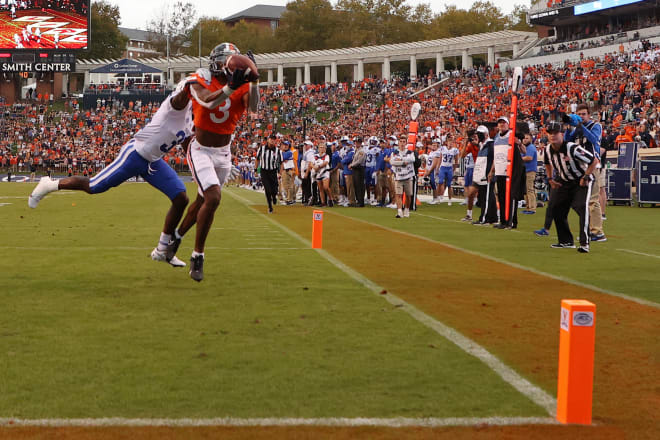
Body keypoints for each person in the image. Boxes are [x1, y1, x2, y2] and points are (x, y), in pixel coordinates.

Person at [28, 77, 195, 268]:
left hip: (153, 161)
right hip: (135, 155)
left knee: (181, 198)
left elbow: (189, 147)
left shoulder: (190, 119)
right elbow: (183, 95)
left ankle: (162, 250)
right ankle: (50, 184)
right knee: (93, 186)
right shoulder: (175, 107)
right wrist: (199, 84)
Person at [169, 43, 259, 281]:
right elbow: (208, 102)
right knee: (213, 197)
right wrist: (231, 87)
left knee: (202, 200)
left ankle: (176, 237)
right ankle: (198, 256)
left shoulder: (241, 85)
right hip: (200, 150)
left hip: (224, 152)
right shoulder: (200, 78)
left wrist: (254, 81)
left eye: (231, 60)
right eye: (224, 60)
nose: (226, 65)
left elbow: (255, 108)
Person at [543, 121, 597, 253]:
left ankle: (585, 243)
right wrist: (550, 178)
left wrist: (585, 177)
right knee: (556, 208)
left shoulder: (572, 148)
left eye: (555, 133)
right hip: (564, 181)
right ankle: (566, 240)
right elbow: (547, 163)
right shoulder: (548, 149)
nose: (552, 136)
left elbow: (594, 160)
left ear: (562, 134)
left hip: (580, 180)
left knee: (581, 207)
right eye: (550, 133)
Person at [565, 104, 606, 242]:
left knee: (593, 200)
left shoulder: (596, 125)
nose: (581, 116)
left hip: (592, 165)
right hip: (580, 166)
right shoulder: (577, 128)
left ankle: (597, 231)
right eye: (579, 114)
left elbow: (594, 140)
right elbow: (567, 142)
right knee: (582, 201)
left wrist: (580, 126)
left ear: (589, 115)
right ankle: (589, 229)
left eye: (583, 114)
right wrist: (569, 127)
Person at [472, 125, 498, 225]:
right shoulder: (483, 145)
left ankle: (484, 218)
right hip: (482, 174)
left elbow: (494, 159)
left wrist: (491, 172)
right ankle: (493, 218)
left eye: (480, 134)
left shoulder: (490, 145)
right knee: (488, 196)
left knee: (486, 197)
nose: (478, 136)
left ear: (486, 135)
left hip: (487, 174)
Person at [390, 135, 416, 218]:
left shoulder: (410, 152)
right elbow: (392, 162)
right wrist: (402, 162)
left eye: (404, 142)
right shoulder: (394, 152)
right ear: (398, 143)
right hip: (398, 177)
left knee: (408, 195)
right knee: (398, 194)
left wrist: (400, 160)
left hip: (408, 177)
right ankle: (399, 211)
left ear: (406, 143)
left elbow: (412, 159)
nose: (402, 143)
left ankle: (407, 209)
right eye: (400, 141)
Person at [257, 133, 282, 213]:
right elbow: (257, 159)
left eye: (274, 139)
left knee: (274, 189)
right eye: (271, 139)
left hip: (273, 171)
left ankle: (274, 197)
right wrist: (255, 170)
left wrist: (280, 172)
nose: (272, 141)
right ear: (268, 140)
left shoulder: (278, 150)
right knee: (267, 189)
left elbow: (281, 163)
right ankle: (270, 206)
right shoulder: (262, 149)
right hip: (264, 171)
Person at [459, 130, 480, 221]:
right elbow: (462, 155)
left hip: (480, 169)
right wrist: (466, 143)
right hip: (472, 168)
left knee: (491, 193)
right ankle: (469, 214)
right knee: (469, 191)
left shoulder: (483, 144)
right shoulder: (470, 145)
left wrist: (477, 144)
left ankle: (496, 214)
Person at [437, 141, 459, 206]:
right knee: (440, 182)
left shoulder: (455, 150)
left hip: (449, 168)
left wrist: (454, 169)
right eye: (449, 141)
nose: (450, 143)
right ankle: (438, 197)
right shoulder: (443, 148)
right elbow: (440, 159)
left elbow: (456, 161)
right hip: (443, 167)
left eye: (452, 142)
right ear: (447, 142)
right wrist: (438, 168)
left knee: (449, 185)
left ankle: (450, 199)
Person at [521, 133, 538, 214]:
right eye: (524, 138)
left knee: (529, 190)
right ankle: (528, 207)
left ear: (531, 139)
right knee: (525, 190)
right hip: (525, 171)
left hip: (530, 171)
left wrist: (519, 158)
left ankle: (532, 208)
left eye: (527, 138)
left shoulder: (531, 147)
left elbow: (529, 158)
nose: (525, 139)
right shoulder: (524, 147)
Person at [313, 142, 332, 206]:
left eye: (323, 147)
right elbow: (311, 163)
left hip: (324, 172)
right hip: (318, 173)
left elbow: (326, 162)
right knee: (320, 188)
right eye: (320, 147)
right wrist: (314, 167)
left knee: (326, 187)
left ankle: (330, 199)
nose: (321, 149)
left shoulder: (326, 156)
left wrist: (318, 166)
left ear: (325, 149)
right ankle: (323, 202)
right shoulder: (316, 156)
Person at [280, 139, 297, 205]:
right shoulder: (283, 152)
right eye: (284, 145)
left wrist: (281, 155)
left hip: (290, 170)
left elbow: (282, 157)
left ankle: (290, 199)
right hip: (285, 169)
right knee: (286, 185)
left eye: (286, 145)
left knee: (289, 185)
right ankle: (291, 198)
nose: (285, 146)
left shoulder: (289, 152)